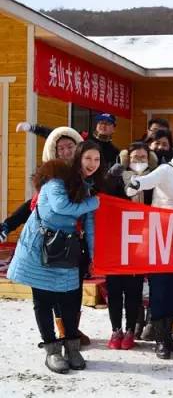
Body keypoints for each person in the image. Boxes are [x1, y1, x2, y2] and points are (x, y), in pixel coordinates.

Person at [7, 145, 101, 373]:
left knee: (70, 300)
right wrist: (93, 203)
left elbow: (89, 224)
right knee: (43, 300)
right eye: (88, 158)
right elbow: (59, 207)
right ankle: (52, 350)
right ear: (78, 159)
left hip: (66, 250)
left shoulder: (87, 188)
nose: (92, 163)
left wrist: (92, 254)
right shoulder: (56, 180)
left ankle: (72, 347)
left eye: (97, 159)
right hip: (40, 248)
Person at [125, 141, 173, 359]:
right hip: (158, 236)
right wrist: (134, 184)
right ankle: (159, 338)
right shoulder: (166, 170)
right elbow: (145, 182)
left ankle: (168, 335)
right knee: (159, 286)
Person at [104, 142, 157, 350]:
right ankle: (115, 329)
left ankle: (130, 330)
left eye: (143, 157)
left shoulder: (154, 180)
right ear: (127, 159)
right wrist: (110, 176)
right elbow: (104, 195)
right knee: (114, 288)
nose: (139, 160)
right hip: (116, 240)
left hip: (141, 240)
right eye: (135, 157)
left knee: (134, 289)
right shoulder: (118, 178)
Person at [0, 126, 83, 243]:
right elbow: (52, 135)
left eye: (70, 147)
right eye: (61, 148)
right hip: (47, 219)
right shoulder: (51, 170)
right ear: (55, 152)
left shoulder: (85, 166)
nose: (66, 152)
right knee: (32, 204)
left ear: (77, 147)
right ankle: (6, 227)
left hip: (74, 217)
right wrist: (32, 128)